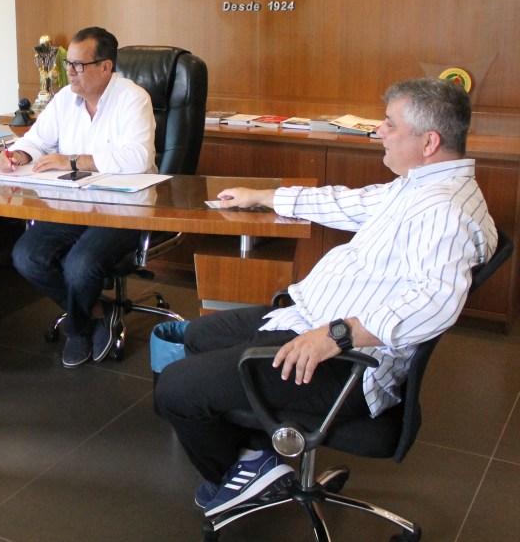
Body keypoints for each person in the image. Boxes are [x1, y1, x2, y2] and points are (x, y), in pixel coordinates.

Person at [154, 77, 496, 517]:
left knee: (177, 389)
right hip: (311, 319)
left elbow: (435, 303)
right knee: (198, 337)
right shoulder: (420, 186)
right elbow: (351, 203)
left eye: (390, 124)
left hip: (346, 362)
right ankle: (262, 454)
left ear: (429, 141)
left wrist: (336, 335)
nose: (380, 132)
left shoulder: (444, 211)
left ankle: (243, 476)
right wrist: (265, 196)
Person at [0, 27, 156, 368]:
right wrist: (18, 155)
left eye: (79, 65)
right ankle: (99, 312)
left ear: (105, 67)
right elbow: (36, 140)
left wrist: (74, 160)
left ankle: (76, 329)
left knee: (80, 265)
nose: (69, 72)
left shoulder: (133, 98)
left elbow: (137, 159)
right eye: (68, 64)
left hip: (124, 208)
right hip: (71, 205)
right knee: (27, 255)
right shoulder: (64, 100)